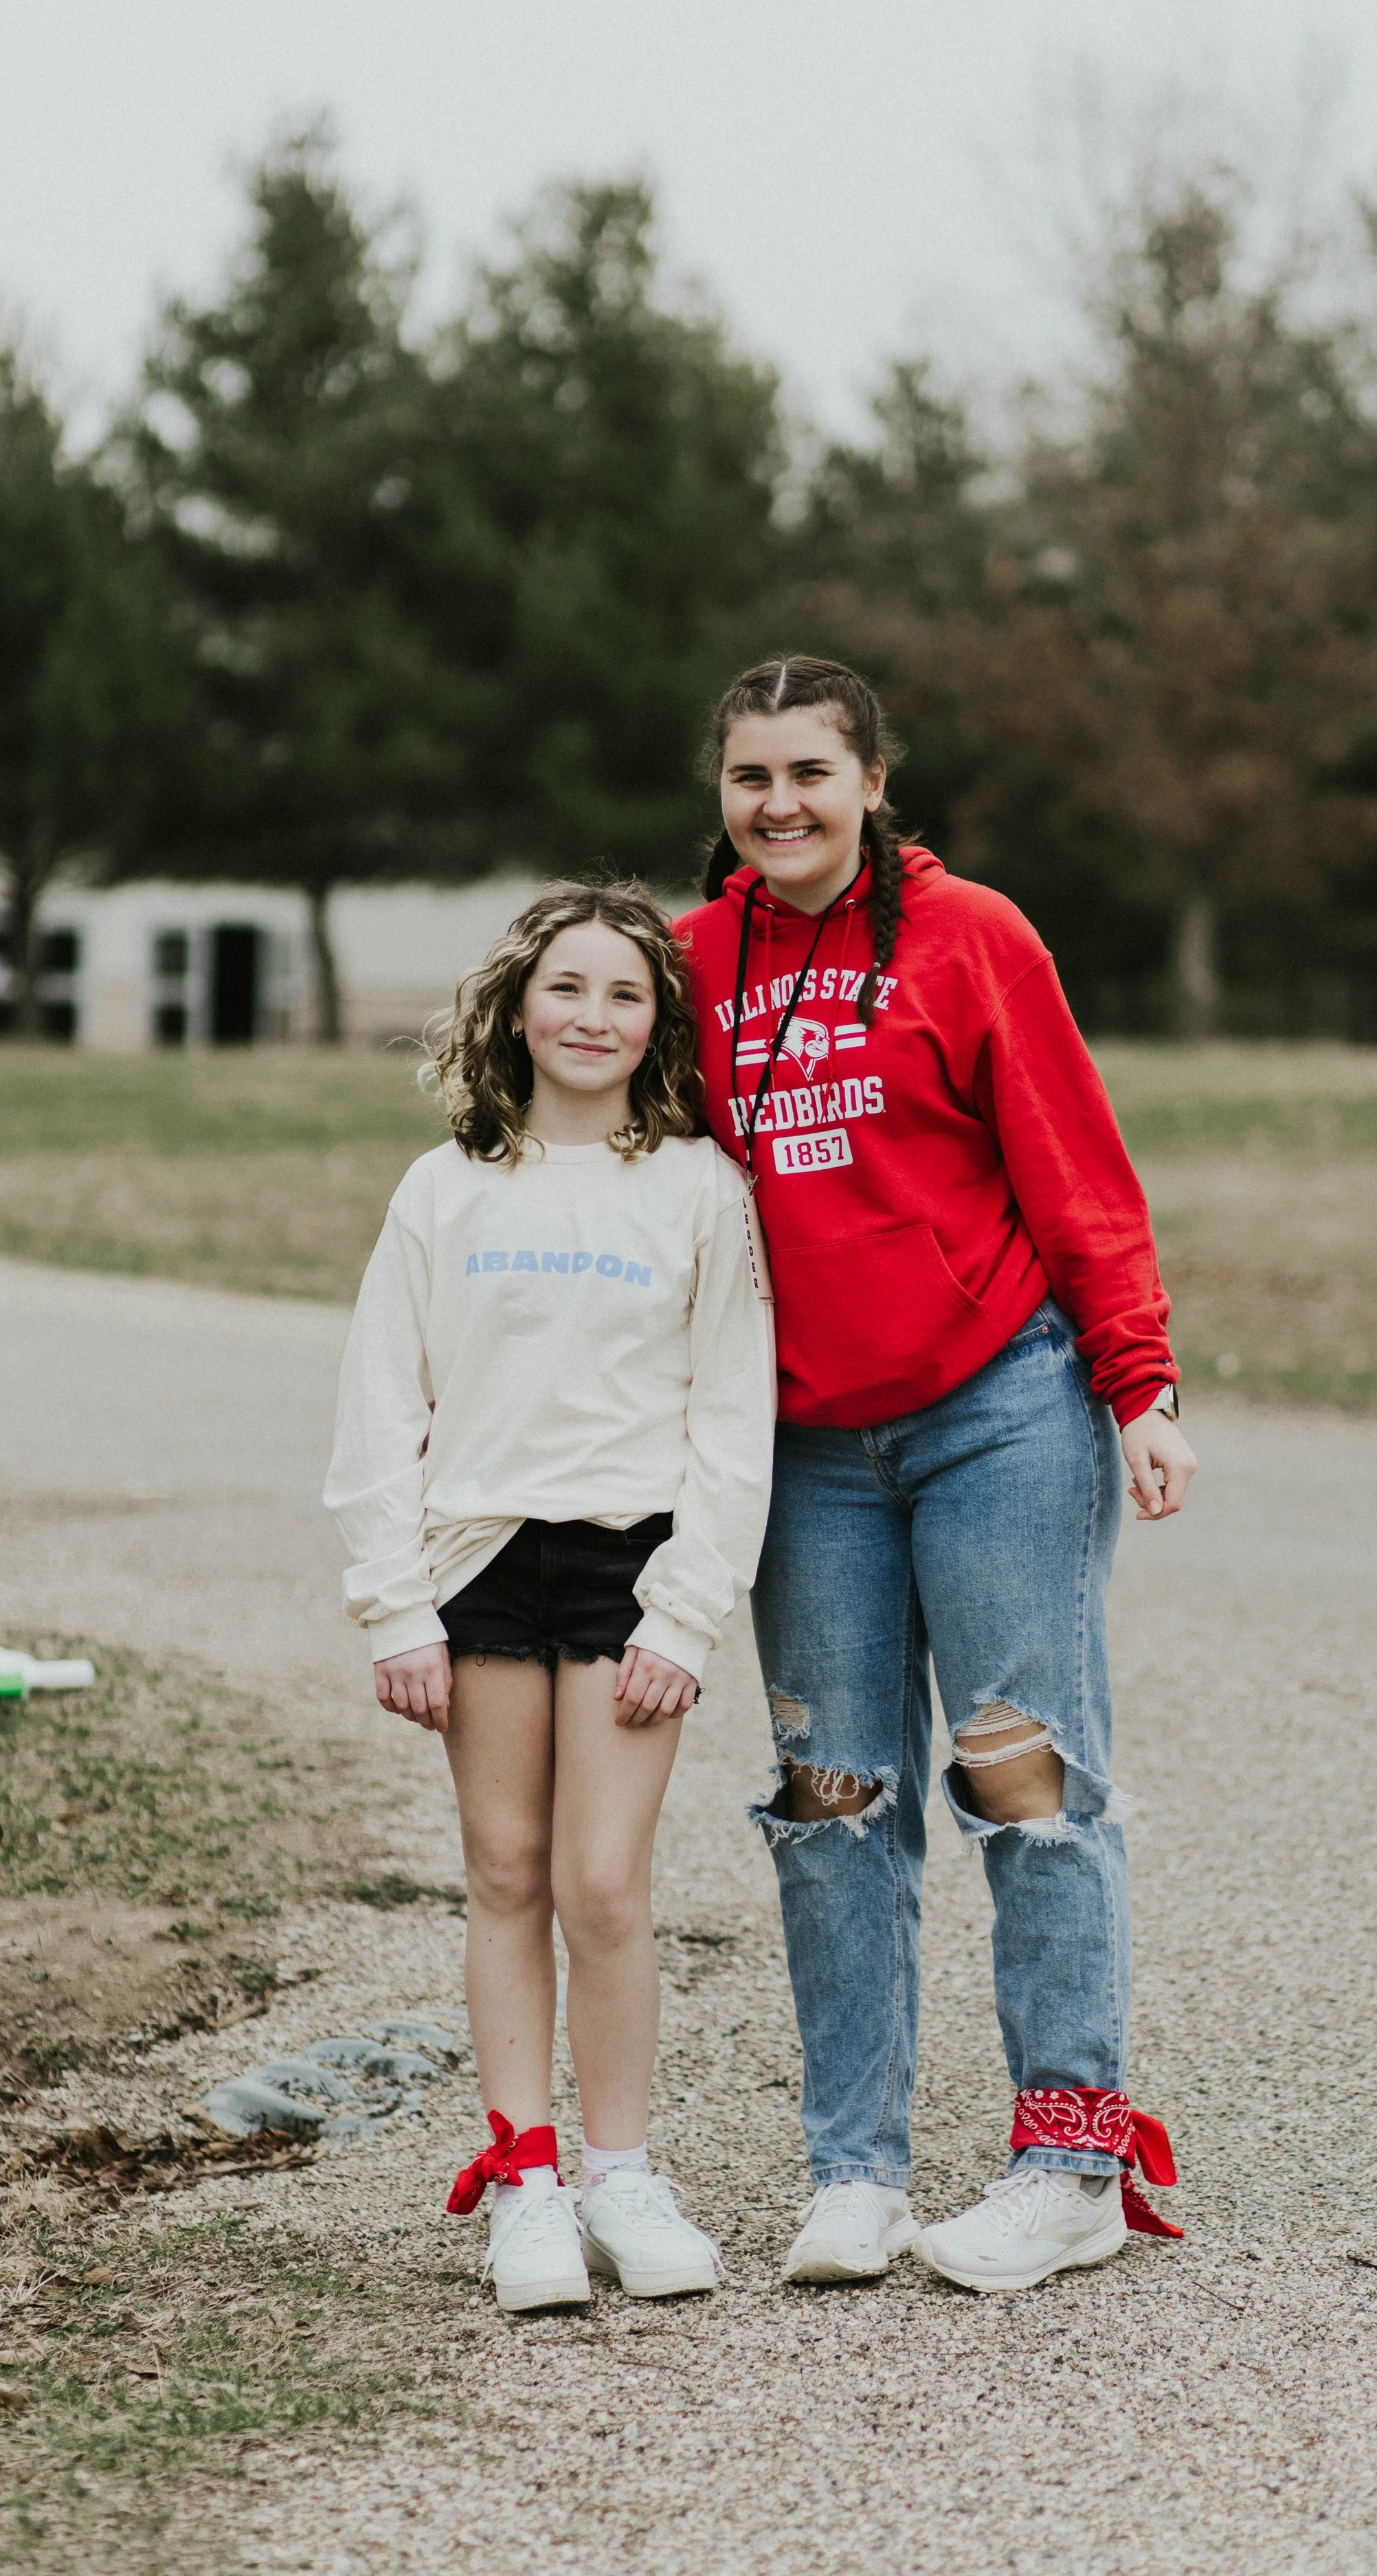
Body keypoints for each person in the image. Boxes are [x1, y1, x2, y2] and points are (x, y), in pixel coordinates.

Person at [675, 657, 1198, 2294]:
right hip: (803, 1452)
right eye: (750, 777)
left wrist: (1140, 1386)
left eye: (810, 774)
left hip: (997, 1415)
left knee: (1021, 1782)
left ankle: (1068, 2162)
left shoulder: (974, 939)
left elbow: (1075, 1171)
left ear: (872, 782)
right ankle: (852, 2174)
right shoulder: (688, 964)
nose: (779, 806)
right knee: (830, 1802)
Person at [325, 882, 774, 2312]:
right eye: (567, 989)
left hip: (630, 1565)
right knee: (506, 1871)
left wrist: (687, 1608)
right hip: (478, 1564)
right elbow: (379, 1402)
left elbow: (732, 1415)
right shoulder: (447, 1186)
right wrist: (392, 1605)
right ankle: (522, 2185)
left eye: (625, 995)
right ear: (517, 1008)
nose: (593, 1017)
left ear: (659, 1026)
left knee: (600, 1885)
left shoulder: (697, 1187)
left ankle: (620, 2173)